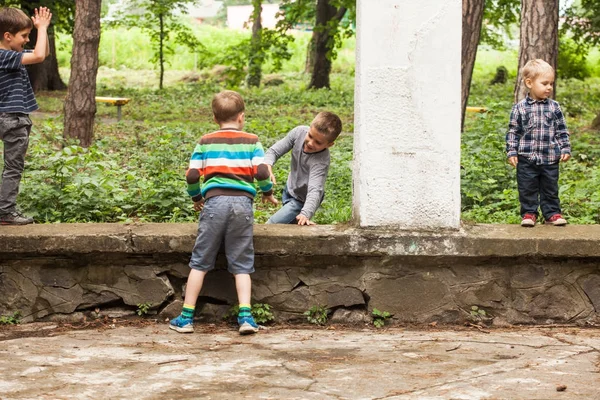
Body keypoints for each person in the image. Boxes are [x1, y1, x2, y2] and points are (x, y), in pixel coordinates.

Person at [170, 90, 277, 335]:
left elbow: (192, 175)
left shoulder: (205, 141)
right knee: (241, 263)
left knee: (200, 262)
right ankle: (246, 317)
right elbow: (261, 172)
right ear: (241, 117)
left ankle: (186, 318)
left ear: (215, 118)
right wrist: (267, 193)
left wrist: (197, 197)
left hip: (214, 203)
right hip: (242, 205)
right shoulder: (252, 141)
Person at [0, 6, 51, 225]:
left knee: (11, 167)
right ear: (7, 36)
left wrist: (42, 31)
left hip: (9, 117)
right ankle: (5, 212)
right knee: (13, 168)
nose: (28, 40)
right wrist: (42, 27)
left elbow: (43, 53)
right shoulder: (6, 56)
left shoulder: (14, 55)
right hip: (13, 119)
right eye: (24, 35)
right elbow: (39, 55)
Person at [506, 59, 571, 227]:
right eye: (544, 83)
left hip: (550, 157)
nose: (549, 87)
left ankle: (552, 213)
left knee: (550, 187)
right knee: (527, 187)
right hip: (526, 157)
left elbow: (561, 130)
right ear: (529, 83)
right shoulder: (519, 108)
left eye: (551, 83)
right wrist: (511, 151)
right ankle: (529, 213)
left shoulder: (554, 107)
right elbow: (513, 131)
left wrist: (565, 148)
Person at [264, 112, 342, 225]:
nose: (310, 143)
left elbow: (315, 190)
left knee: (271, 225)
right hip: (290, 189)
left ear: (329, 144)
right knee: (289, 228)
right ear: (310, 128)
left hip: (302, 201)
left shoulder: (321, 161)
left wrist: (305, 213)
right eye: (310, 136)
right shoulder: (299, 132)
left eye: (318, 142)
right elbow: (274, 151)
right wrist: (267, 164)